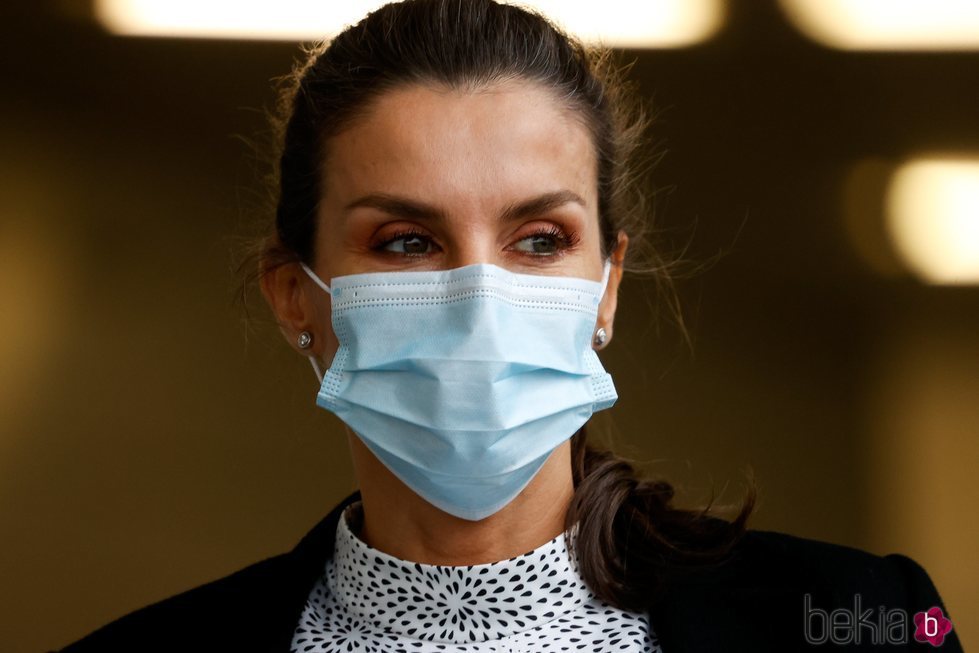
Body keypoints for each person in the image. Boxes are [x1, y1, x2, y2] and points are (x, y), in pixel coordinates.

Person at [59, 1, 962, 651]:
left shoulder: (870, 616)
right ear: (296, 293)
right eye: (406, 241)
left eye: (539, 239)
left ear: (605, 286)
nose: (478, 297)